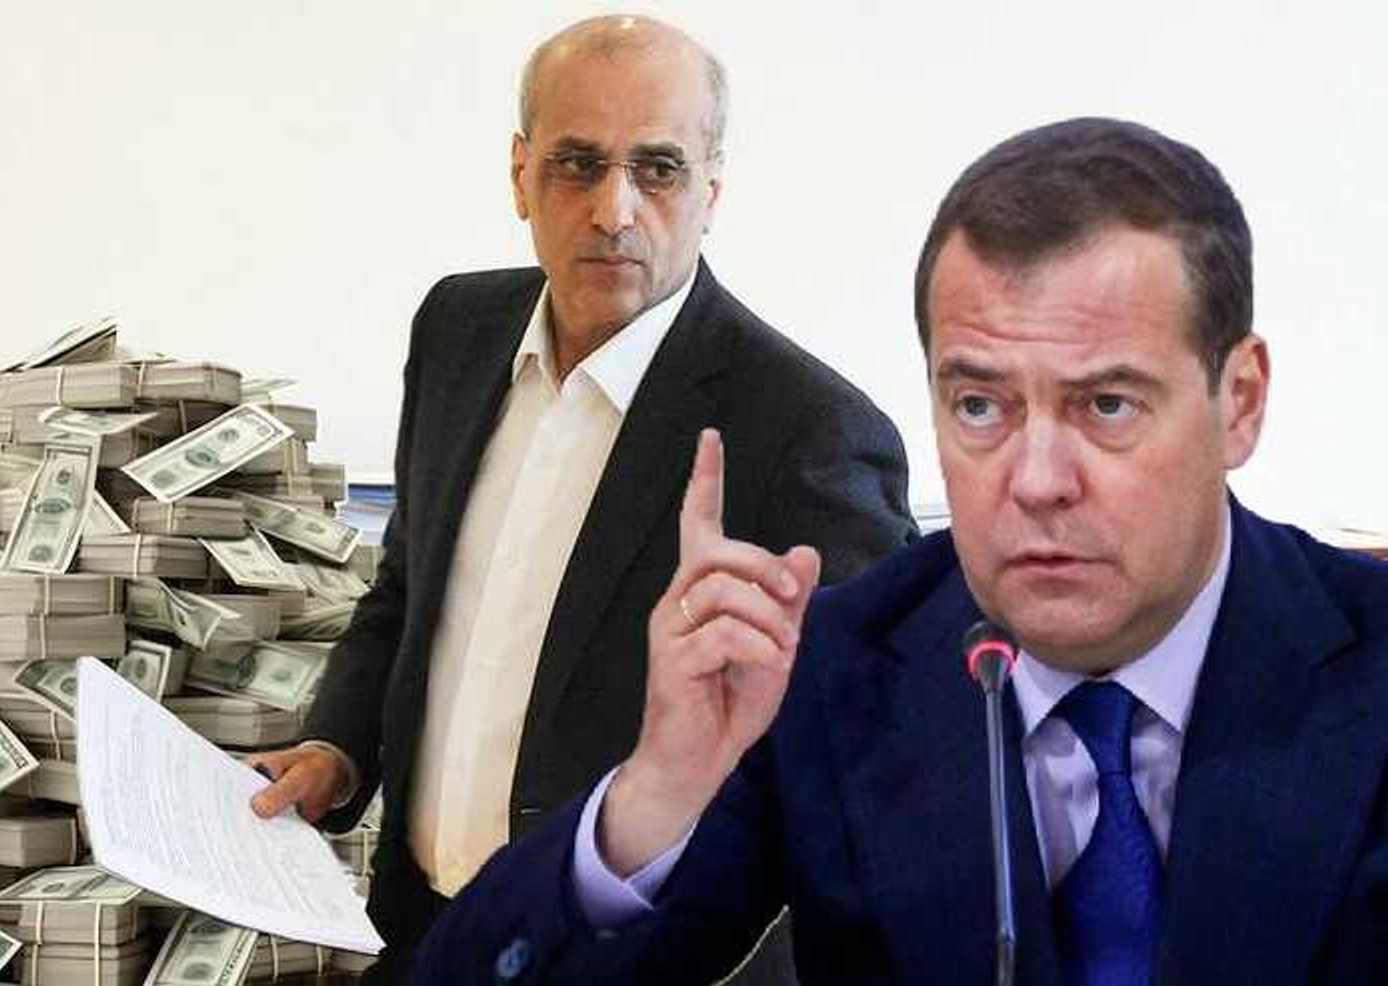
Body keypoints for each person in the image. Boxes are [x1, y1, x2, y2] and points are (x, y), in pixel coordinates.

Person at [408, 117, 1388, 985]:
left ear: (1239, 402)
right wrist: (658, 788)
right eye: (980, 406)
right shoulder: (834, 668)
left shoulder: (1369, 662)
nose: (1037, 479)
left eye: (1106, 404)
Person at [245, 14, 916, 984]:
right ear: (520, 174)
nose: (614, 209)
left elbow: (857, 766)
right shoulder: (456, 330)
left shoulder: (807, 431)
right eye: (577, 164)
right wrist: (336, 750)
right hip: (423, 933)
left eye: (658, 169)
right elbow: (407, 590)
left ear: (710, 193)